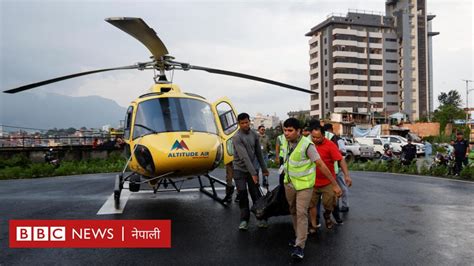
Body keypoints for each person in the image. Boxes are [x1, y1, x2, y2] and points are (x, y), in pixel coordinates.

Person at [281, 118, 341, 260]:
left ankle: (300, 246)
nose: (286, 133)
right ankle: (298, 237)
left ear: (299, 131)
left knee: (301, 213)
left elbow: (321, 165)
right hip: (289, 184)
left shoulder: (308, 145)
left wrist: (335, 184)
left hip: (305, 186)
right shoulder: (285, 141)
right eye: (285, 130)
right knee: (293, 210)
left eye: (290, 131)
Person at [309, 125, 351, 233]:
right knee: (311, 205)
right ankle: (313, 225)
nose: (315, 139)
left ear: (323, 135)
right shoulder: (308, 144)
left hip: (328, 181)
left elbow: (340, 160)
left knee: (330, 204)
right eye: (313, 137)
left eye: (317, 137)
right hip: (311, 182)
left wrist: (346, 175)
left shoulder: (330, 145)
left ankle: (327, 215)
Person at [232, 113, 269, 230]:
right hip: (239, 169)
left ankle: (260, 218)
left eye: (246, 122)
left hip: (253, 167)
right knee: (242, 194)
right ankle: (244, 220)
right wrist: (253, 174)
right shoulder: (236, 137)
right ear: (239, 124)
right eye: (242, 123)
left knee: (255, 194)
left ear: (249, 122)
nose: (245, 125)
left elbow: (259, 153)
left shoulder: (254, 135)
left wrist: (264, 169)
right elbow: (244, 157)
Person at [324, 123, 350, 214]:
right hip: (330, 168)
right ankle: (336, 206)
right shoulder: (325, 139)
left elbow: (343, 152)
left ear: (330, 130)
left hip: (337, 167)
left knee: (342, 187)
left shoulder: (337, 139)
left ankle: (345, 205)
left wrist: (332, 151)